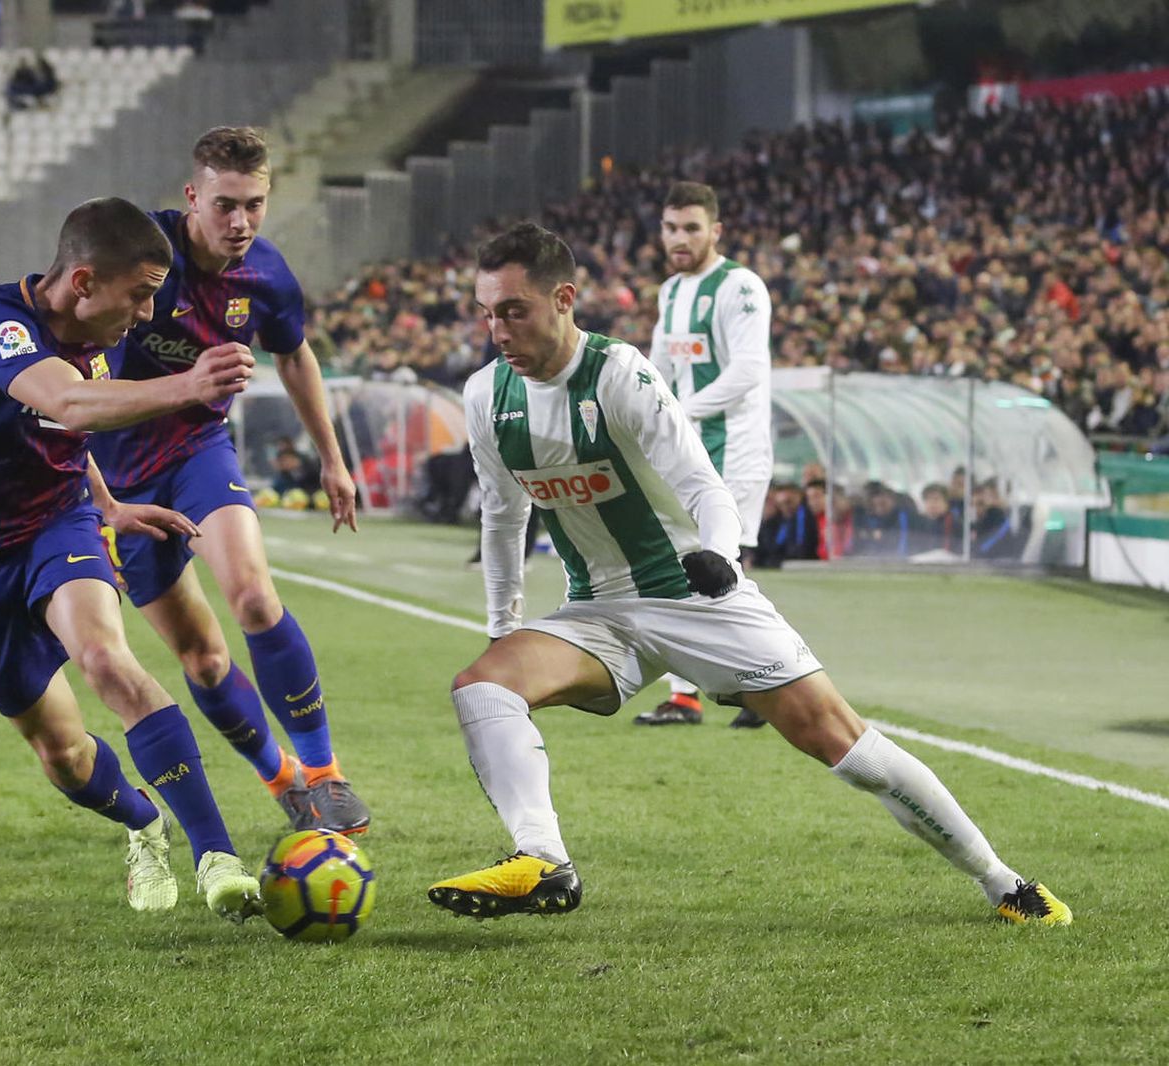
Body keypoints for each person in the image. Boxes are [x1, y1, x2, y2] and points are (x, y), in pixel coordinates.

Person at [426, 221, 1070, 928]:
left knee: (844, 745)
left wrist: (721, 556)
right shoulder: (488, 395)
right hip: (597, 613)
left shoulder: (620, 376)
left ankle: (1003, 883)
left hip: (694, 597)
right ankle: (544, 861)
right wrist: (500, 629)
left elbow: (704, 489)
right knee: (482, 685)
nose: (497, 330)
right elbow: (502, 517)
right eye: (487, 314)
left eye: (513, 311)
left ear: (564, 299)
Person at [0, 197, 265, 920]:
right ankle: (143, 824)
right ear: (83, 283)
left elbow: (65, 433)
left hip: (55, 525)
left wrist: (106, 506)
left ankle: (218, 857)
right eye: (139, 294)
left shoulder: (95, 332)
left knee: (107, 659)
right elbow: (66, 405)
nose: (146, 313)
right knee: (62, 756)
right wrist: (191, 385)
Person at [85, 127, 370, 835]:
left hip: (196, 452)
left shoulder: (267, 277)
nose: (240, 222)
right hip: (118, 483)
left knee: (252, 595)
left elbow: (296, 355)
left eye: (254, 204)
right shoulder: (139, 254)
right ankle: (280, 778)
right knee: (205, 662)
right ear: (192, 197)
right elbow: (75, 365)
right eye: (225, 206)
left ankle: (326, 775)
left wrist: (333, 459)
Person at [636, 182, 774, 729]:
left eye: (692, 228)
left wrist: (680, 413)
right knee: (698, 565)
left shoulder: (740, 287)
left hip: (734, 448)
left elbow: (747, 371)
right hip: (689, 448)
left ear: (715, 231)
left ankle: (758, 681)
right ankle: (732, 687)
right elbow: (658, 366)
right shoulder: (671, 291)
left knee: (719, 566)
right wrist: (644, 413)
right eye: (671, 228)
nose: (679, 238)